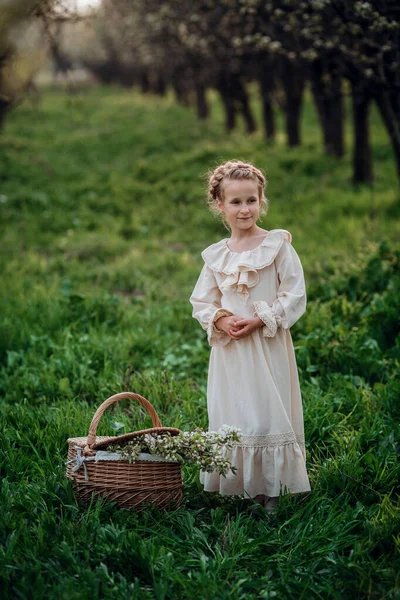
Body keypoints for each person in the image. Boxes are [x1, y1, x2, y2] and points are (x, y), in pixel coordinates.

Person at [189, 159, 311, 513]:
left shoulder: (277, 247)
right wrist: (222, 320)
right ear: (219, 205)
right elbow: (202, 301)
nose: (245, 209)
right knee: (237, 413)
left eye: (251, 201)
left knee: (266, 414)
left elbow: (294, 295)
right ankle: (245, 487)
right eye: (236, 202)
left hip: (266, 345)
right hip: (232, 352)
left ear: (261, 200)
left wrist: (259, 320)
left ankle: (272, 491)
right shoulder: (216, 256)